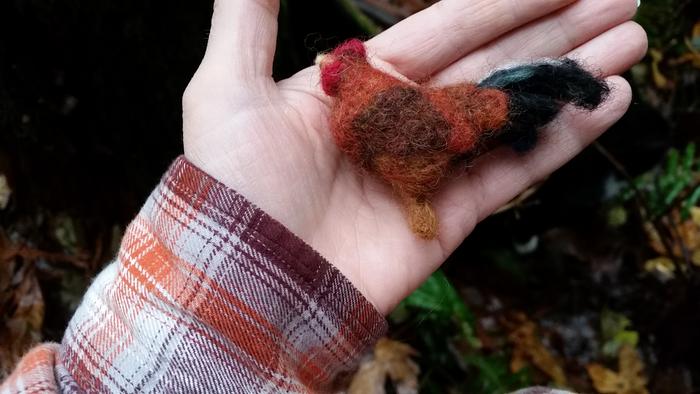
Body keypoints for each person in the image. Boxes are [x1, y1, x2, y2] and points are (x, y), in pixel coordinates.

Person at [1, 0, 647, 392]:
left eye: (337, 70)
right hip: (432, 145)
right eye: (337, 71)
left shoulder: (370, 111)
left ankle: (537, 102)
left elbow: (428, 141)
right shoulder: (355, 113)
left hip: (447, 133)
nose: (328, 75)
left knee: (504, 113)